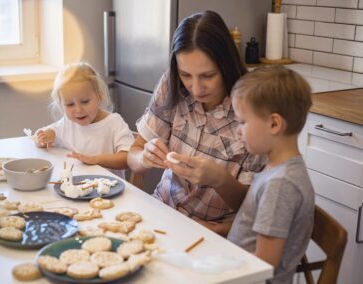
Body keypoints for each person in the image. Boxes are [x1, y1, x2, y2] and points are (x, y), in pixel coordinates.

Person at [166, 65, 315, 284]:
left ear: (274, 124)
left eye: (243, 122)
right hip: (237, 267)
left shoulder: (281, 185)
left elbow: (264, 266)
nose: (237, 130)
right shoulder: (277, 169)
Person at [127, 10, 266, 235]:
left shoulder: (252, 106)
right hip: (161, 212)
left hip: (214, 233)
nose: (196, 88)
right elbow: (132, 156)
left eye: (208, 76)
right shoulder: (171, 85)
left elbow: (253, 209)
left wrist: (219, 179)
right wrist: (144, 157)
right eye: (186, 75)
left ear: (226, 65)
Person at [35, 62, 134, 178]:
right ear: (61, 104)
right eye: (70, 104)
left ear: (100, 95)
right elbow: (44, 135)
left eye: (85, 102)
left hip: (109, 191)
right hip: (76, 188)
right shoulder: (68, 122)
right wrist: (43, 137)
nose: (78, 110)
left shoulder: (114, 123)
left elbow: (128, 159)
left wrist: (96, 159)